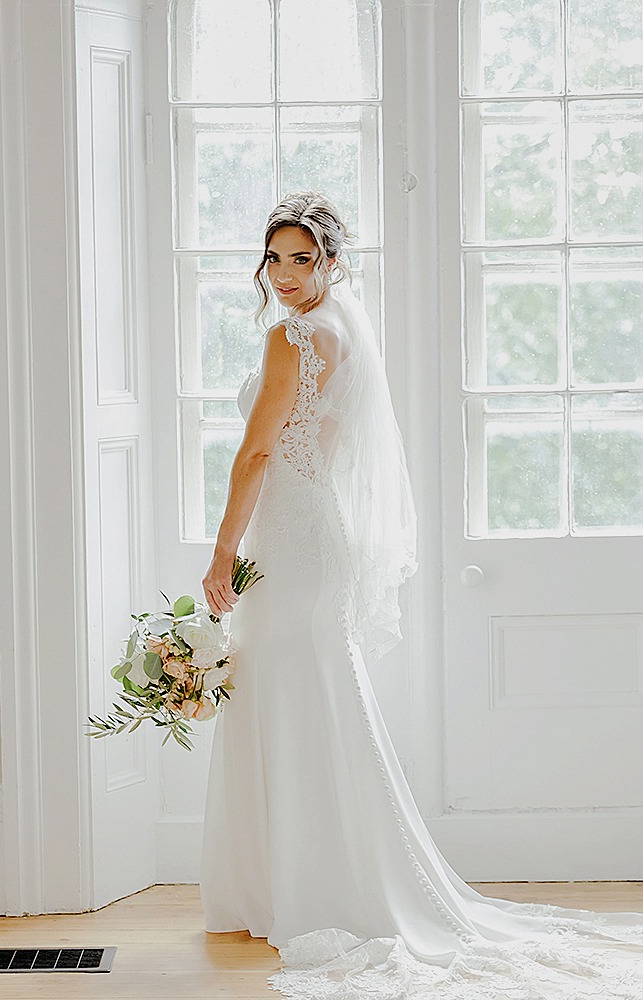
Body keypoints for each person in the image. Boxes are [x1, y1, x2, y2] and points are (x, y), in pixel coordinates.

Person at [199, 192, 643, 999]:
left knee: (298, 698)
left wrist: (222, 551)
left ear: (332, 263)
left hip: (292, 539)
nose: (288, 273)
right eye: (276, 258)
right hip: (310, 532)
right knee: (307, 698)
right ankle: (296, 884)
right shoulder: (341, 331)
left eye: (304, 258)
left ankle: (315, 889)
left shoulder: (292, 335)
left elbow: (256, 453)